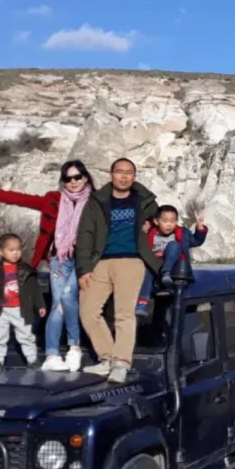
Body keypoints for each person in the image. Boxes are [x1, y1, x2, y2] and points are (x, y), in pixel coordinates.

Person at [0, 161, 95, 372]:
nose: (73, 182)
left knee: (68, 297)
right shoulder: (54, 200)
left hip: (85, 261)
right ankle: (51, 355)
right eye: (68, 179)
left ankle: (74, 348)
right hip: (59, 259)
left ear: (86, 178)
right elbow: (23, 199)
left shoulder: (96, 201)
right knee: (57, 305)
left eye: (78, 177)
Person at [76, 158, 161, 383]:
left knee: (124, 314)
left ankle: (121, 363)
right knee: (88, 310)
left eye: (129, 173)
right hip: (100, 262)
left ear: (134, 176)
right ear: (110, 174)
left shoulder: (144, 201)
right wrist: (84, 268)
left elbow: (162, 218)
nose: (124, 176)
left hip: (131, 261)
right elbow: (85, 234)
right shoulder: (97, 200)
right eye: (119, 172)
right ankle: (106, 358)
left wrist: (151, 224)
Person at [0, 233, 47, 372]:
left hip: (20, 309)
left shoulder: (26, 270)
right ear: (0, 251)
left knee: (26, 335)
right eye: (11, 250)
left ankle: (32, 360)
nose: (15, 253)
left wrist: (40, 305)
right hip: (0, 310)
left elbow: (34, 290)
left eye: (18, 249)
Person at [136, 205, 209, 317]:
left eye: (173, 221)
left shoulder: (181, 234)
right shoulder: (151, 234)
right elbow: (140, 246)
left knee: (174, 245)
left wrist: (200, 228)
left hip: (173, 270)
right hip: (155, 268)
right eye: (165, 221)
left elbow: (196, 241)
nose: (169, 224)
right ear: (156, 221)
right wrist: (143, 232)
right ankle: (142, 303)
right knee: (147, 269)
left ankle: (166, 272)